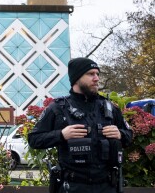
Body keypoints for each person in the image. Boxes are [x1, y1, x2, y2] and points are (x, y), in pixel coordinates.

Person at [28, 57, 133, 193]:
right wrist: (61, 135)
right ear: (76, 78)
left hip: (106, 186)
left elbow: (129, 135)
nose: (96, 78)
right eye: (90, 74)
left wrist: (121, 134)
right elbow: (34, 139)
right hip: (73, 186)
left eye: (97, 74)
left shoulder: (109, 107)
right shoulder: (58, 108)